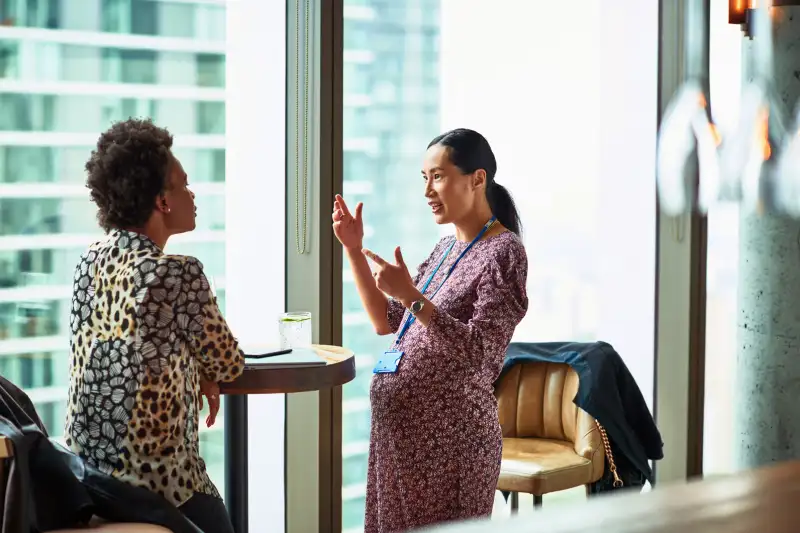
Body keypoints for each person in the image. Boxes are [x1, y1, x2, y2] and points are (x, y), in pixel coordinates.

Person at [332, 128, 529, 532]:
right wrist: (353, 248)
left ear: (477, 179)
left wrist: (411, 296)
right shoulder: (444, 249)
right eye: (424, 178)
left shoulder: (504, 252)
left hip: (450, 448)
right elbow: (386, 322)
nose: (428, 190)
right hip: (399, 443)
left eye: (438, 176)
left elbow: (480, 352)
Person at [64, 118, 244, 533]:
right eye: (183, 184)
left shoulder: (87, 262)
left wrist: (196, 369)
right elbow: (230, 363)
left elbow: (133, 341)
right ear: (162, 201)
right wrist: (207, 371)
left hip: (89, 480)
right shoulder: (178, 273)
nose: (193, 194)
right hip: (160, 486)